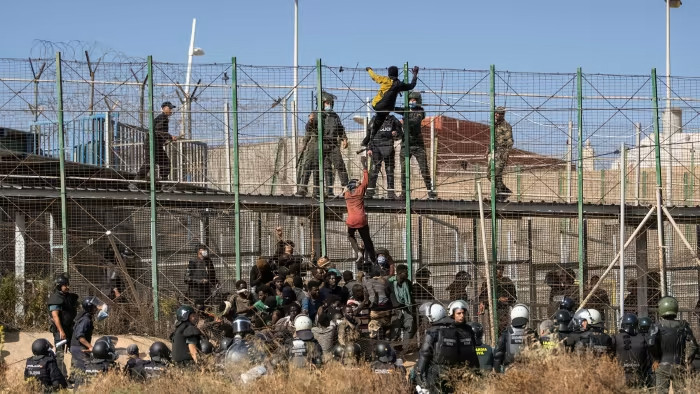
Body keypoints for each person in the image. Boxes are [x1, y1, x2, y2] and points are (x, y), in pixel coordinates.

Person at [415, 302, 477, 393]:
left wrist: (419, 372)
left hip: (436, 371)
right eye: (459, 313)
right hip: (455, 370)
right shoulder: (457, 329)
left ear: (432, 316)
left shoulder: (433, 331)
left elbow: (425, 352)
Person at [648, 296, 698, 394]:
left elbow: (651, 343)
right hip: (679, 365)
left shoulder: (656, 326)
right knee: (680, 391)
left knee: (661, 392)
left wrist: (656, 359)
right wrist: (687, 360)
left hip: (662, 365)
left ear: (661, 309)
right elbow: (693, 345)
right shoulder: (684, 326)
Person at [365, 65, 418, 156]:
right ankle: (367, 141)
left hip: (377, 106)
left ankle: (366, 141)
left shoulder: (385, 80)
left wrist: (369, 69)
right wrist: (415, 74)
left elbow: (374, 77)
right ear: (397, 74)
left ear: (389, 74)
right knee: (378, 123)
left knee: (377, 124)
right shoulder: (399, 84)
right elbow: (412, 85)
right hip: (388, 108)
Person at [395, 91, 436, 199]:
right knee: (404, 170)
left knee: (424, 169)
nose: (412, 102)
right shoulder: (405, 110)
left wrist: (404, 119)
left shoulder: (420, 111)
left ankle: (430, 191)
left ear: (418, 102)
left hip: (418, 144)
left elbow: (415, 122)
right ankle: (404, 192)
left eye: (414, 100)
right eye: (410, 100)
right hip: (406, 144)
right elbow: (394, 108)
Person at [133, 101, 177, 186]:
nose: (171, 110)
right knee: (149, 162)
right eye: (169, 108)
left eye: (171, 108)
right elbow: (158, 131)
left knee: (164, 162)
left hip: (156, 144)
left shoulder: (163, 118)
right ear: (164, 109)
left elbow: (158, 132)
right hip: (152, 144)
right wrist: (170, 137)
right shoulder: (162, 118)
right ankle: (135, 182)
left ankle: (164, 183)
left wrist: (165, 140)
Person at [345, 156, 377, 264]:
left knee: (350, 235)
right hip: (361, 219)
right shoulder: (360, 192)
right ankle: (374, 260)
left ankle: (358, 252)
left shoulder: (347, 194)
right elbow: (366, 180)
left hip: (351, 220)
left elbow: (347, 188)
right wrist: (364, 166)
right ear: (356, 185)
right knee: (367, 240)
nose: (359, 182)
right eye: (358, 182)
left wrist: (347, 188)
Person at [316, 91, 349, 195]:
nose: (328, 105)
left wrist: (344, 138)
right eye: (326, 103)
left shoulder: (334, 116)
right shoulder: (318, 115)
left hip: (333, 144)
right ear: (321, 103)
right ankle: (329, 191)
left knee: (340, 165)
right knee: (326, 168)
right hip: (322, 144)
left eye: (330, 103)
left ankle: (346, 188)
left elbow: (340, 128)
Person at [363, 113, 403, 199]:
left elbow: (400, 132)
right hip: (376, 149)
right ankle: (370, 193)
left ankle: (391, 193)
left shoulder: (392, 119)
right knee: (374, 172)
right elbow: (369, 135)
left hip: (389, 148)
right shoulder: (374, 119)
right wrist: (369, 148)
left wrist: (395, 133)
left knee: (390, 171)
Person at [47, 273, 79, 377]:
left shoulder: (69, 297)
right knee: (60, 355)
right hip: (60, 332)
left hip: (71, 329)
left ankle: (75, 377)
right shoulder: (55, 299)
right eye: (65, 285)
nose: (68, 287)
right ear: (59, 286)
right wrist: (61, 331)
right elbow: (55, 316)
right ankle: (62, 378)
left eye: (68, 284)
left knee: (75, 351)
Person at [612, 313, 652, 387]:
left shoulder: (615, 338)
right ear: (636, 325)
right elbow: (648, 360)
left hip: (620, 376)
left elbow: (610, 357)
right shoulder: (642, 338)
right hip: (638, 376)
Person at [493, 303, 534, 372]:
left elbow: (498, 354)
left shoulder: (507, 332)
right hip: (527, 369)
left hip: (510, 369)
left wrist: (497, 371)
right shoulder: (530, 333)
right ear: (527, 316)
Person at [478, 264, 517, 334]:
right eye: (498, 269)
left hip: (504, 310)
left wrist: (507, 299)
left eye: (502, 269)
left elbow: (514, 297)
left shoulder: (507, 281)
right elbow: (483, 298)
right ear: (494, 270)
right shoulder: (489, 282)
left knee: (504, 329)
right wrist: (497, 299)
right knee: (494, 330)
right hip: (492, 310)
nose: (500, 271)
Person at [296, 111, 322, 197]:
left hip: (320, 145)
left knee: (317, 169)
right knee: (307, 167)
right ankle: (303, 188)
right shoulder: (314, 117)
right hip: (312, 146)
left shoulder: (321, 115)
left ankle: (316, 190)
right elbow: (308, 131)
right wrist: (304, 144)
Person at [70, 297, 99, 372]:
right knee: (81, 372)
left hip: (76, 347)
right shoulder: (86, 320)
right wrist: (91, 347)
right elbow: (80, 337)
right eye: (94, 307)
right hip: (79, 348)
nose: (96, 308)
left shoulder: (84, 317)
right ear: (89, 307)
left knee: (76, 371)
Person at [185, 244, 218, 308]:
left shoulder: (209, 262)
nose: (205, 251)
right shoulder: (193, 262)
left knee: (208, 311)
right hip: (195, 293)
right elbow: (186, 278)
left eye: (205, 249)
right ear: (198, 251)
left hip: (206, 293)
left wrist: (215, 281)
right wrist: (200, 281)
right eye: (202, 249)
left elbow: (212, 275)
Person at [389, 264, 415, 341]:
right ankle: (394, 346)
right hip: (396, 309)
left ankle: (406, 345)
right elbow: (388, 294)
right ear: (399, 273)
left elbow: (410, 295)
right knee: (395, 327)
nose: (407, 274)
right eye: (405, 273)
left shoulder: (408, 283)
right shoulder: (390, 283)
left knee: (409, 325)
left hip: (407, 307)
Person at [492, 106, 513, 201]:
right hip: (493, 152)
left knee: (496, 173)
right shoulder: (495, 125)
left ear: (502, 114)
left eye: (498, 113)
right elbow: (492, 139)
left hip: (501, 153)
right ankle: (504, 191)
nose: (496, 114)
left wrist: (505, 153)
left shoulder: (506, 126)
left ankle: (501, 193)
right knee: (490, 174)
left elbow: (510, 142)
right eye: (495, 112)